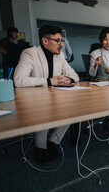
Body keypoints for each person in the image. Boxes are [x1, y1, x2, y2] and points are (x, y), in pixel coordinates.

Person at [14, 25, 80, 163]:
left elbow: (74, 75)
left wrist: (69, 79)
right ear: (45, 41)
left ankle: (53, 142)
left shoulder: (60, 56)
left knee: (74, 111)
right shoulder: (30, 53)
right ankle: (40, 147)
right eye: (57, 41)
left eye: (61, 41)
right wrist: (49, 81)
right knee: (45, 112)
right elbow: (19, 80)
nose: (62, 45)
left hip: (55, 97)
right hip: (35, 99)